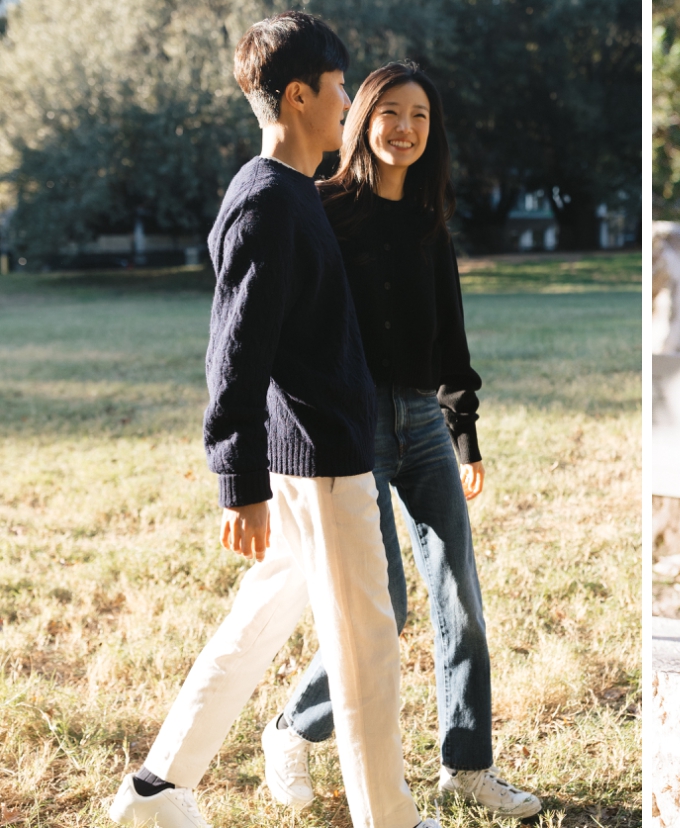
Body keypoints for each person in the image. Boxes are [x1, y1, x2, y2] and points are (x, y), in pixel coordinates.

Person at [107, 14, 438, 828]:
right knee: (366, 654)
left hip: (314, 456)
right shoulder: (268, 202)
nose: (348, 109)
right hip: (320, 465)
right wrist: (237, 480)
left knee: (255, 627)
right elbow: (235, 353)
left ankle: (157, 791)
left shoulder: (291, 195)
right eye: (337, 91)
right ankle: (388, 819)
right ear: (298, 96)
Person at [257, 61, 541, 820]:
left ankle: (467, 766)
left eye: (420, 116)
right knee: (386, 606)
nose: (406, 129)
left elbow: (450, 337)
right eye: (391, 113)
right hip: (351, 429)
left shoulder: (427, 222)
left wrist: (465, 433)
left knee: (463, 601)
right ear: (362, 121)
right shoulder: (321, 209)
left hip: (421, 423)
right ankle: (291, 727)